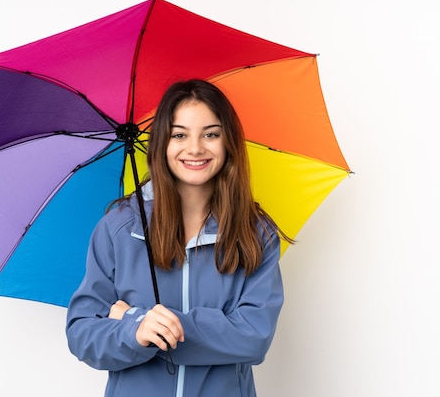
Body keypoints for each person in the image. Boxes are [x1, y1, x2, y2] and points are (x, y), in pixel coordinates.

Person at [66, 79, 292, 397]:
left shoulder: (256, 232)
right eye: (180, 135)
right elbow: (82, 334)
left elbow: (254, 337)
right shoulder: (119, 227)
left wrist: (135, 318)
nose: (195, 148)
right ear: (162, 143)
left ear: (228, 143)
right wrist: (135, 333)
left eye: (210, 134)